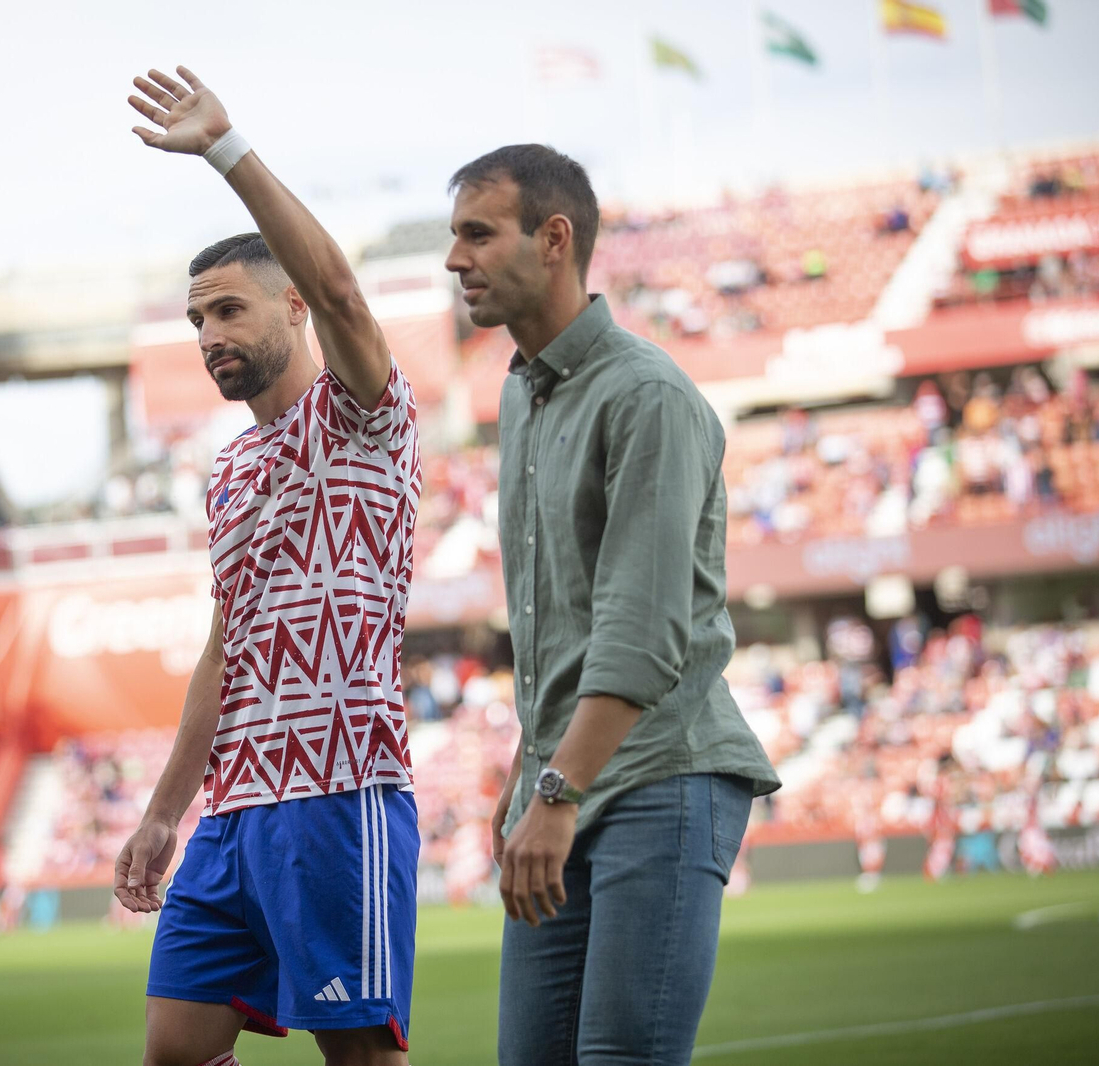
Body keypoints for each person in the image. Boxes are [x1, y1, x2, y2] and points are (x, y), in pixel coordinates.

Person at [443, 144, 781, 1066]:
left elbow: (638, 628)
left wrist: (556, 791)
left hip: (660, 778)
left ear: (554, 239)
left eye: (478, 234)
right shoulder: (520, 397)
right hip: (567, 780)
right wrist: (530, 772)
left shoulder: (648, 394)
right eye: (453, 236)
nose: (454, 259)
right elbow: (559, 626)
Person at [115, 66, 423, 1066]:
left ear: (292, 310)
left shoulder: (363, 415)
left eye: (229, 310)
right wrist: (166, 811)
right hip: (232, 814)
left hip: (338, 794)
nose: (209, 336)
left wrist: (224, 150)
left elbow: (339, 284)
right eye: (197, 319)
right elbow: (224, 646)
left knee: (358, 1058)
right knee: (174, 1050)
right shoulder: (232, 466)